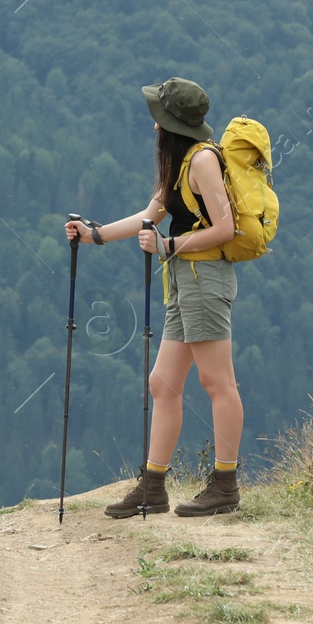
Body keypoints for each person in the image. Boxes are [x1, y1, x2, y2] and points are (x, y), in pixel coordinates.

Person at [63, 76, 244, 517]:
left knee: (217, 382)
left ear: (170, 124)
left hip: (205, 278)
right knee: (162, 384)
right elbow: (149, 216)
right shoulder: (181, 162)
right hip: (185, 280)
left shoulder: (202, 161)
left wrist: (167, 246)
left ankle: (225, 485)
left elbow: (225, 228)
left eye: (157, 119)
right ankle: (154, 486)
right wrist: (95, 235)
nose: (153, 128)